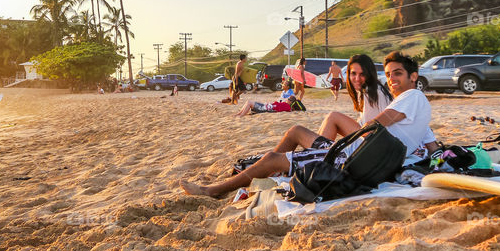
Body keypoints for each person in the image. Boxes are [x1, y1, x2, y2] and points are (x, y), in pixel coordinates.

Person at [181, 51, 437, 198]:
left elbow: (376, 125)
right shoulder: (413, 103)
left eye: (398, 74)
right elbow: (430, 141)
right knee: (296, 132)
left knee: (273, 157)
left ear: (413, 77)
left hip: (353, 159)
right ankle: (276, 167)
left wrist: (332, 150)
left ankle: (213, 190)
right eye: (389, 73)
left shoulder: (412, 96)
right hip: (358, 153)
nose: (391, 79)